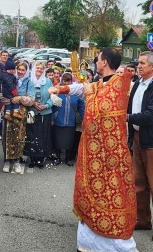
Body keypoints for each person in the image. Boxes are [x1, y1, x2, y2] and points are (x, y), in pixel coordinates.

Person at [50, 48, 137, 251]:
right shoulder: (99, 84)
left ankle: (115, 245)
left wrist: (91, 95)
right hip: (93, 153)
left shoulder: (120, 83)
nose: (95, 63)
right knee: (91, 195)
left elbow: (104, 110)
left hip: (110, 156)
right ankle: (90, 241)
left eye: (97, 59)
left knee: (111, 195)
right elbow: (81, 88)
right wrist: (60, 89)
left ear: (104, 62)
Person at [127, 51, 153, 234]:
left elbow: (150, 115)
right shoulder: (138, 84)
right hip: (137, 137)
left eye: (143, 63)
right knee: (139, 182)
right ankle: (143, 220)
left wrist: (127, 117)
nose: (139, 66)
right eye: (139, 63)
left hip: (150, 140)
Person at [2, 62, 35, 173]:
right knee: (7, 136)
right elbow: (2, 96)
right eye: (19, 69)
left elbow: (31, 100)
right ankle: (6, 161)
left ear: (26, 71)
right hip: (8, 111)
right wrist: (11, 99)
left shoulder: (29, 82)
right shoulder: (11, 79)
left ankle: (16, 161)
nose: (20, 72)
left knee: (18, 137)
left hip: (20, 113)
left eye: (23, 70)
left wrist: (20, 98)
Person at [24, 61, 53, 169]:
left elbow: (52, 97)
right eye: (38, 68)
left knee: (43, 135)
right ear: (34, 69)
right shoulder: (29, 81)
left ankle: (41, 158)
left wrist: (46, 105)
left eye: (41, 68)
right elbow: (25, 95)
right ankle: (32, 158)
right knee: (31, 134)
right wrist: (33, 103)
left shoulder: (48, 81)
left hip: (45, 112)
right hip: (32, 112)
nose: (40, 70)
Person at [51, 73, 85, 166]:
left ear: (71, 81)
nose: (66, 82)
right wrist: (52, 118)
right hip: (58, 120)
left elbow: (82, 107)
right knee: (57, 140)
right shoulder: (57, 91)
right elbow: (52, 106)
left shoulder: (76, 93)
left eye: (68, 80)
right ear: (62, 81)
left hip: (71, 121)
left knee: (70, 141)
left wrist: (82, 119)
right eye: (65, 80)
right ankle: (57, 158)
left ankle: (68, 159)